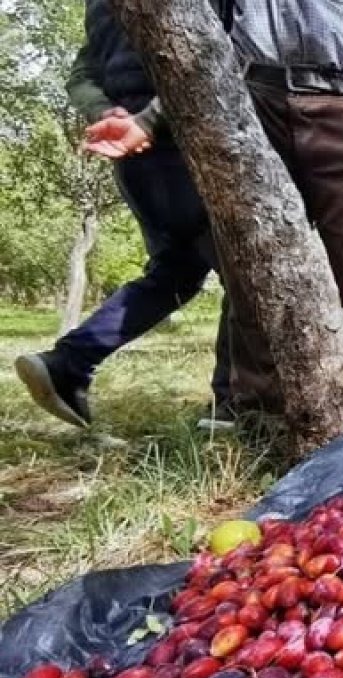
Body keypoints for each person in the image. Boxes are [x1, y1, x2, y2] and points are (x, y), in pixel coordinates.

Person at [87, 0, 343, 433]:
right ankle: (263, 429)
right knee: (253, 282)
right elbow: (204, 43)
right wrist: (149, 121)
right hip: (252, 103)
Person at [14, 0, 232, 430]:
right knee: (240, 273)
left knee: (175, 272)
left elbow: (81, 74)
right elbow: (214, 58)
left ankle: (68, 363)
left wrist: (103, 111)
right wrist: (148, 120)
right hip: (177, 145)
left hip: (133, 154)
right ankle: (235, 403)